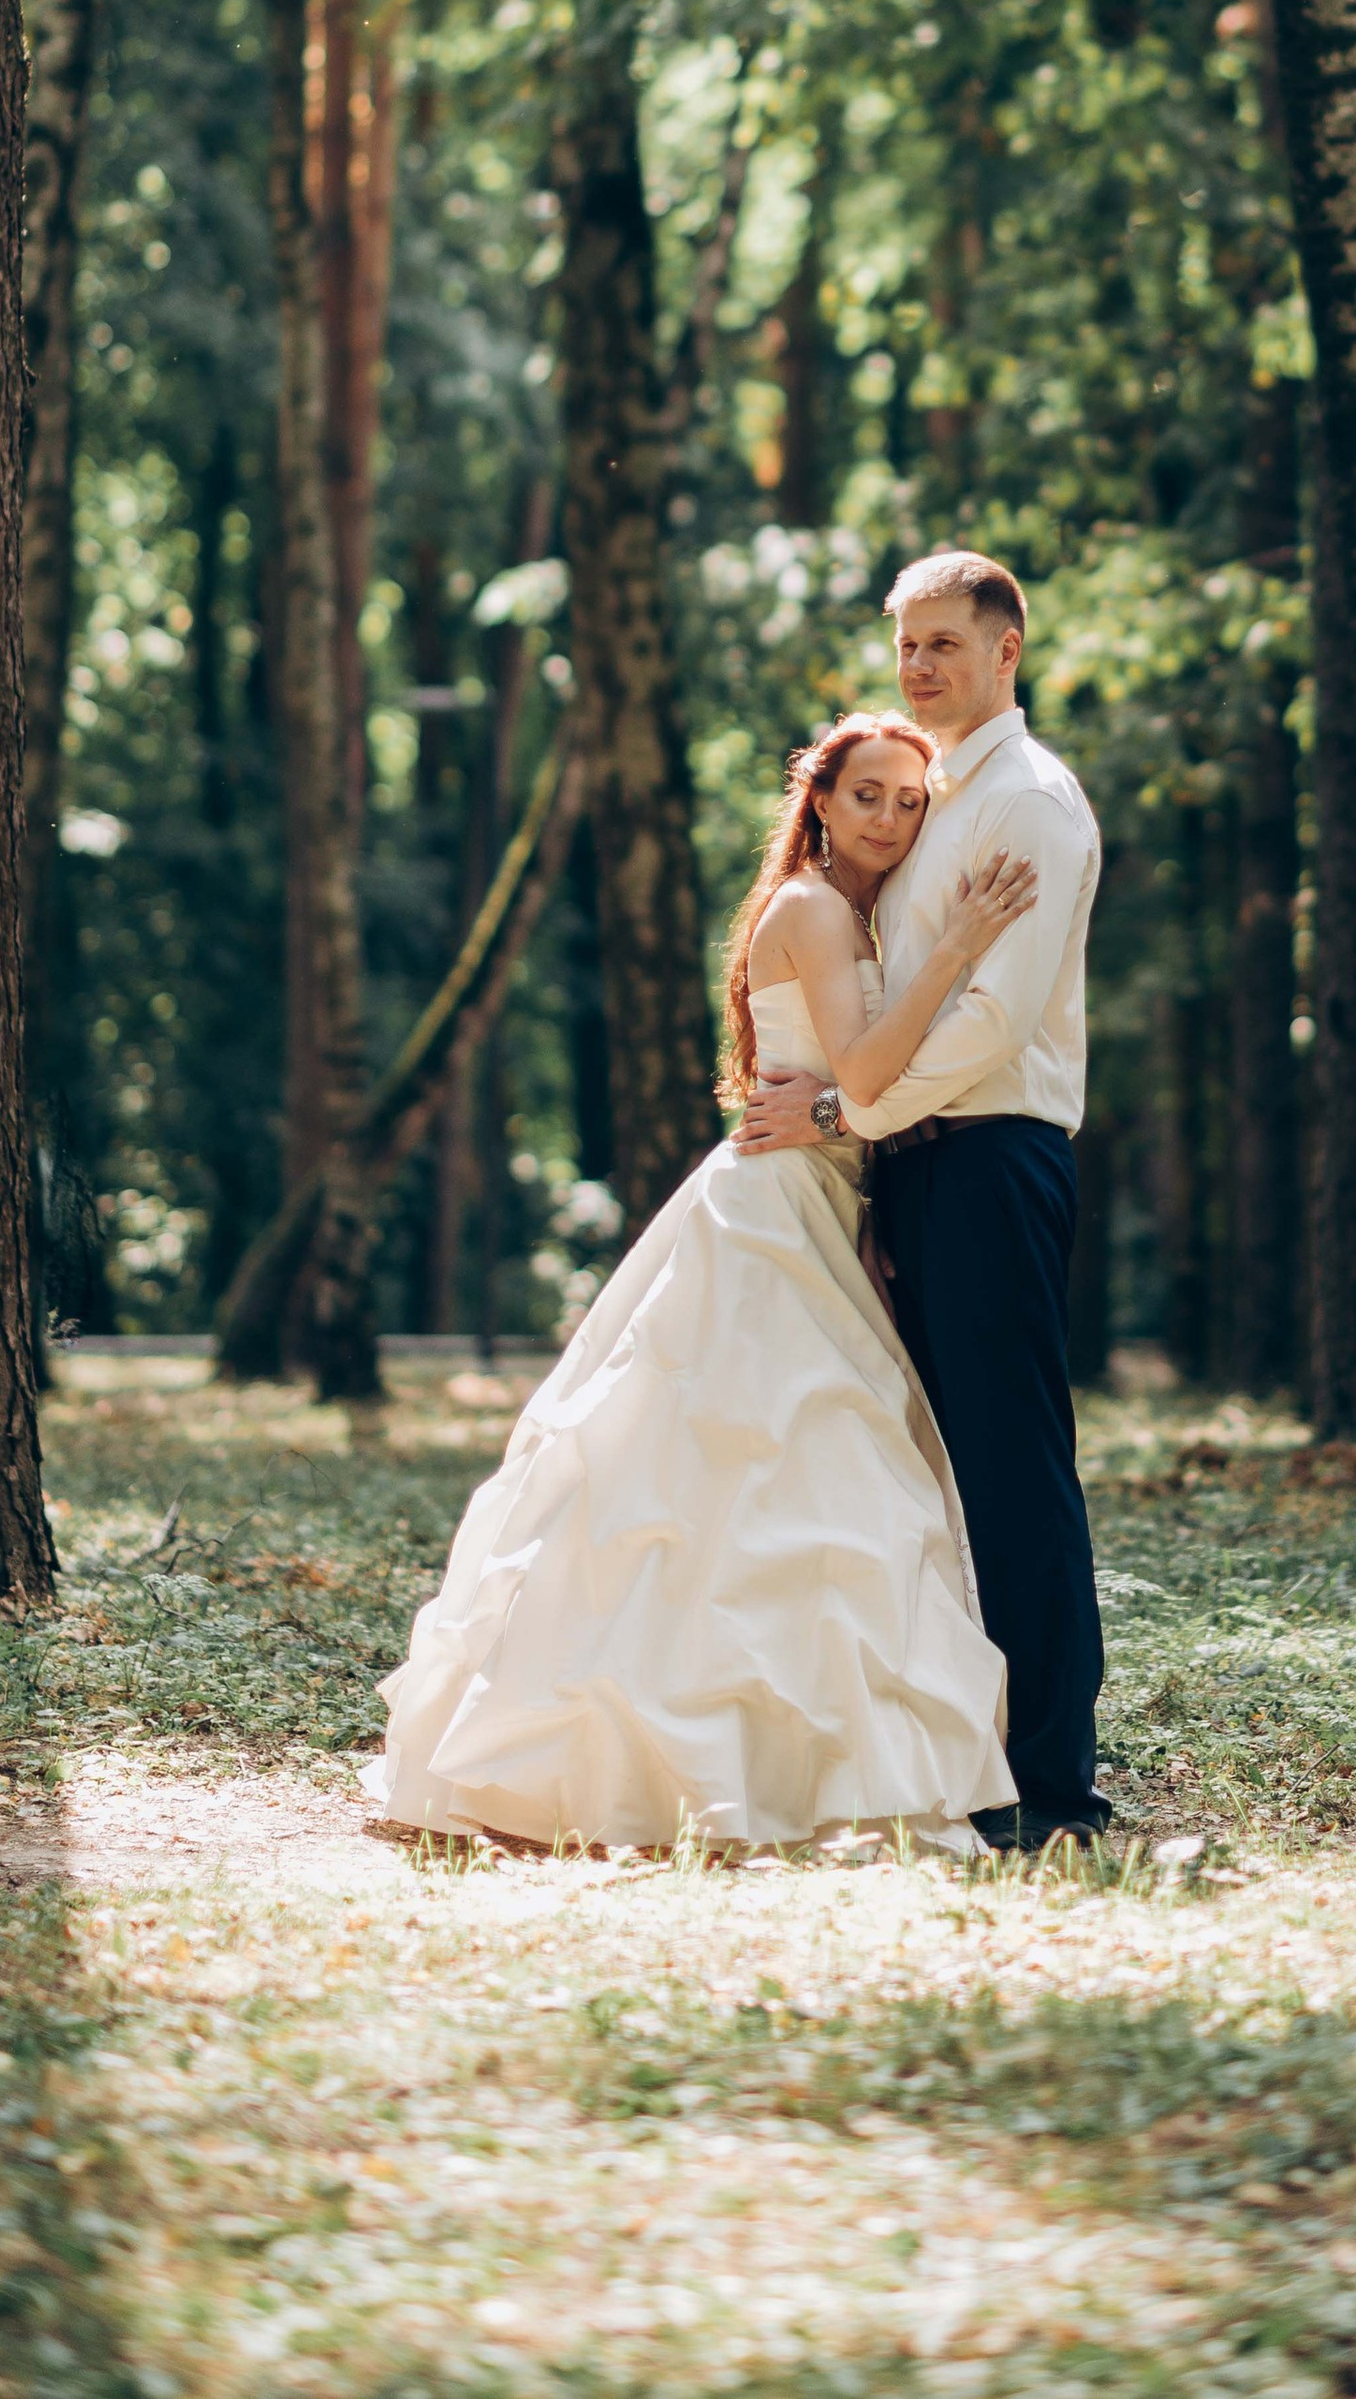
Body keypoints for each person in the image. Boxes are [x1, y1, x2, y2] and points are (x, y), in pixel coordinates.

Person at [367, 713, 1035, 1855]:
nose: (888, 817)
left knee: (805, 1479)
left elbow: (847, 1095)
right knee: (758, 1465)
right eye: (866, 794)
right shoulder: (815, 910)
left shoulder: (852, 913)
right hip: (771, 1215)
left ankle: (795, 1753)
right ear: (819, 802)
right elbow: (869, 1071)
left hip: (826, 1201)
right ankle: (688, 1760)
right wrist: (960, 949)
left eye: (909, 801)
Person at [736, 550, 1110, 1849]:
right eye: (906, 643)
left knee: (1013, 1470)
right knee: (937, 1476)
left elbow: (994, 1017)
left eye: (945, 642)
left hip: (996, 1152)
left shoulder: (1035, 805)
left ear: (1009, 648)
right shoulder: (933, 797)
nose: (920, 665)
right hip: (918, 1164)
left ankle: (1054, 1785)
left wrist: (847, 1111)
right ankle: (967, 1752)